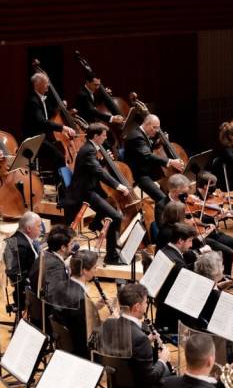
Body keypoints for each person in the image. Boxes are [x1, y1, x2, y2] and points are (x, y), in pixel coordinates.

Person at [99, 283, 173, 388]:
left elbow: (125, 350)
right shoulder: (138, 338)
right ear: (137, 307)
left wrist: (147, 342)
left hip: (117, 384)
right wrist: (162, 360)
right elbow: (149, 378)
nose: (147, 306)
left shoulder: (108, 325)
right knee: (170, 381)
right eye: (146, 303)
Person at [62, 124, 129, 264]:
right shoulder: (88, 150)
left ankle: (95, 225)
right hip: (82, 193)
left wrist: (103, 161)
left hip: (88, 191)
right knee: (115, 216)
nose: (105, 138)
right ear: (96, 136)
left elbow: (93, 168)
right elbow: (98, 172)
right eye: (104, 135)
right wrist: (118, 185)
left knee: (111, 209)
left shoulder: (90, 148)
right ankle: (111, 257)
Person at [123, 113, 183, 226]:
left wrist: (158, 142)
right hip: (138, 174)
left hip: (147, 169)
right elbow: (147, 155)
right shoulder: (136, 136)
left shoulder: (142, 133)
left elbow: (147, 148)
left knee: (169, 187)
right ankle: (160, 226)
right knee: (161, 198)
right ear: (147, 124)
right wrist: (170, 161)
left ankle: (172, 218)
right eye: (155, 127)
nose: (157, 131)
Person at [23, 72, 78, 171]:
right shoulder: (33, 101)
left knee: (59, 156)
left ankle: (60, 183)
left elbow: (50, 113)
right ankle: (63, 185)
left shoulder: (40, 99)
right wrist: (62, 128)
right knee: (60, 158)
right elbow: (42, 122)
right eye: (46, 83)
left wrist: (61, 108)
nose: (48, 85)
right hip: (34, 140)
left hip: (43, 137)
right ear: (37, 85)